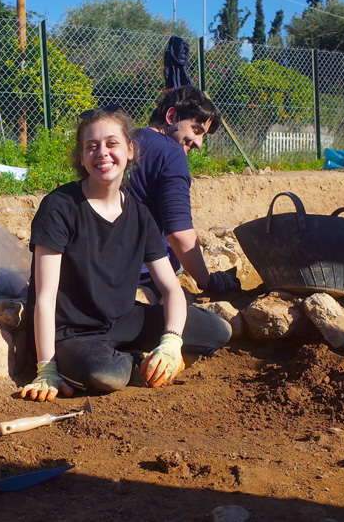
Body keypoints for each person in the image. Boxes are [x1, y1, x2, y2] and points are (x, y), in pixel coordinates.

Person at [20, 106, 231, 402]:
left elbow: (171, 289)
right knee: (105, 374)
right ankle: (134, 363)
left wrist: (171, 341)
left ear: (130, 150)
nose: (102, 153)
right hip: (72, 334)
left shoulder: (141, 216)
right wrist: (46, 368)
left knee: (216, 330)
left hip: (121, 321)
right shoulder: (60, 207)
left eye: (111, 143)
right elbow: (45, 297)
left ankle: (149, 357)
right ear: (81, 158)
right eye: (91, 147)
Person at [126, 86, 240, 296]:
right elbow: (179, 234)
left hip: (104, 264)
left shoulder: (128, 140)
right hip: (140, 272)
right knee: (176, 264)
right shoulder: (171, 154)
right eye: (196, 130)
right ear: (171, 116)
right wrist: (207, 281)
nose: (198, 143)